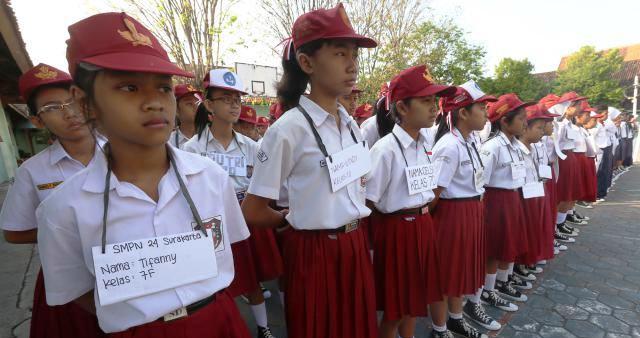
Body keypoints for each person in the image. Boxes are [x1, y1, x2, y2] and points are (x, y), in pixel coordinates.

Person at [36, 13, 251, 337]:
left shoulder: (211, 178)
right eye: (130, 87)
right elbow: (76, 292)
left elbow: (229, 248)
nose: (153, 102)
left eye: (163, 88)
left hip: (219, 322)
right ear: (85, 102)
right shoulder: (62, 209)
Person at [240, 4, 378, 337]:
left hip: (355, 244)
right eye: (340, 53)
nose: (352, 64)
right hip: (314, 253)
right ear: (307, 62)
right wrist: (287, 218)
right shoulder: (287, 130)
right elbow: (253, 210)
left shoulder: (351, 126)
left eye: (355, 55)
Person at [0, 63, 105, 338]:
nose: (70, 112)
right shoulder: (33, 171)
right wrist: (66, 234)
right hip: (70, 275)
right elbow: (14, 233)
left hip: (129, 261)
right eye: (53, 107)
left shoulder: (125, 151)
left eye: (74, 101)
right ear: (37, 120)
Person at [183, 69, 281, 338]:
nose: (235, 104)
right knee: (216, 281)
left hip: (246, 216)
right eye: (226, 98)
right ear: (209, 104)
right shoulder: (193, 150)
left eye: (237, 98)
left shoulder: (251, 147)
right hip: (212, 220)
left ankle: (263, 328)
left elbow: (265, 185)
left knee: (252, 279)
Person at [367, 65, 455, 338]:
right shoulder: (385, 150)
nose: (434, 108)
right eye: (425, 101)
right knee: (396, 309)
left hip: (422, 225)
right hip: (397, 232)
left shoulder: (424, 144)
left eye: (434, 101)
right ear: (402, 108)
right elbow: (368, 204)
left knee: (413, 301)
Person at [429, 80, 497, 338]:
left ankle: (456, 318)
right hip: (452, 217)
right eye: (481, 107)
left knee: (461, 270)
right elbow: (434, 194)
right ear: (463, 113)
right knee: (446, 274)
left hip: (470, 213)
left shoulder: (469, 141)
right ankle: (439, 328)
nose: (486, 112)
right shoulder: (449, 146)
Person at [480, 93, 533, 313]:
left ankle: (499, 283)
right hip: (496, 201)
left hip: (511, 198)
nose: (525, 123)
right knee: (494, 248)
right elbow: (481, 182)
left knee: (507, 245)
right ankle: (487, 290)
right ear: (504, 120)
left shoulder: (514, 145)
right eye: (521, 118)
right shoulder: (492, 147)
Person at [169, 84, 200, 149]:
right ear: (176, 110)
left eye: (197, 102)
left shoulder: (210, 138)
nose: (196, 107)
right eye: (189, 104)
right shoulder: (169, 142)